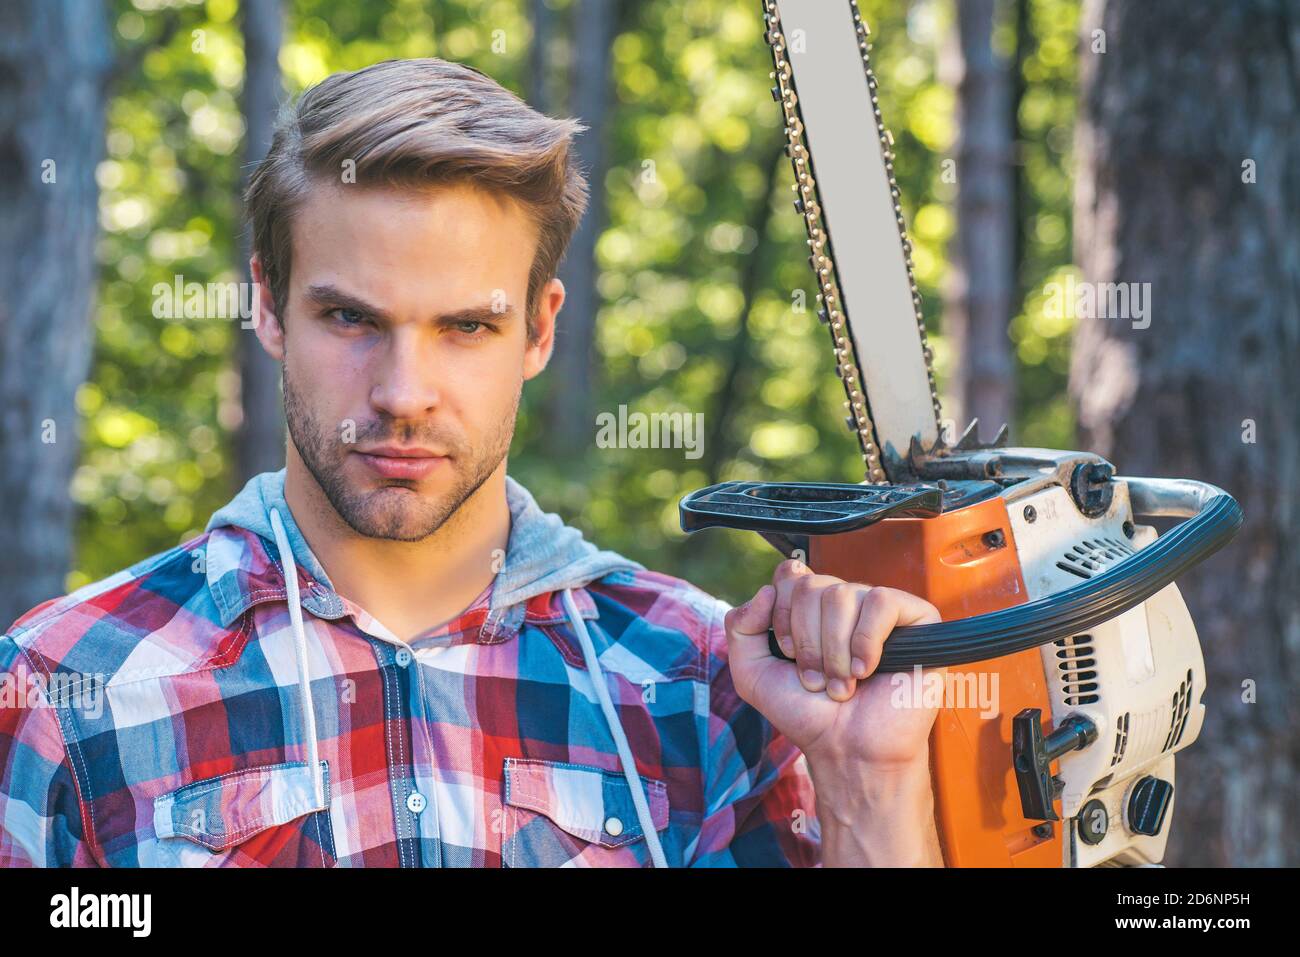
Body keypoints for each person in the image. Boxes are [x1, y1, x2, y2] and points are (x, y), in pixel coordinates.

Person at [0, 58, 943, 867]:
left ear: (537, 330)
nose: (404, 391)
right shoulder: (65, 687)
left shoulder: (699, 682)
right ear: (267, 305)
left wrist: (869, 781)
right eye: (351, 318)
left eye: (465, 326)